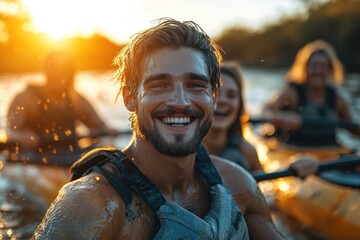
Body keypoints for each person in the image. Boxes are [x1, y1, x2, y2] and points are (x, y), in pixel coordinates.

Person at [33, 18, 286, 239]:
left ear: (214, 96)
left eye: (195, 85)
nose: (180, 101)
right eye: (159, 85)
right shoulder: (90, 205)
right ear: (130, 98)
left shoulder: (238, 184)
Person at [203, 61, 317, 178]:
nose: (222, 101)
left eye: (231, 95)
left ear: (240, 106)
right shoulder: (186, 147)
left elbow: (267, 189)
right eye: (215, 93)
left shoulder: (248, 152)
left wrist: (292, 169)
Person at [6, 50, 119, 165]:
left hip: (72, 157)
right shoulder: (26, 98)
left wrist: (108, 131)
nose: (60, 74)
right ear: (46, 71)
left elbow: (100, 127)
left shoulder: (77, 99)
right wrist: (21, 137)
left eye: (64, 70)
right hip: (36, 158)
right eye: (55, 69)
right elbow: (10, 131)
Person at [262, 39, 360, 147]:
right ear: (305, 68)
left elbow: (353, 129)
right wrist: (282, 117)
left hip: (328, 151)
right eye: (314, 66)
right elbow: (265, 111)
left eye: (323, 66)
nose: (318, 71)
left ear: (330, 70)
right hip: (293, 148)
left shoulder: (337, 99)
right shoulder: (292, 93)